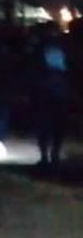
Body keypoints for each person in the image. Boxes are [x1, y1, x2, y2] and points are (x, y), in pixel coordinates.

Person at [34, 25, 71, 169]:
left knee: (45, 125)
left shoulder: (39, 50)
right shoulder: (66, 50)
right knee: (57, 125)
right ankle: (53, 155)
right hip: (59, 92)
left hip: (45, 92)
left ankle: (46, 157)